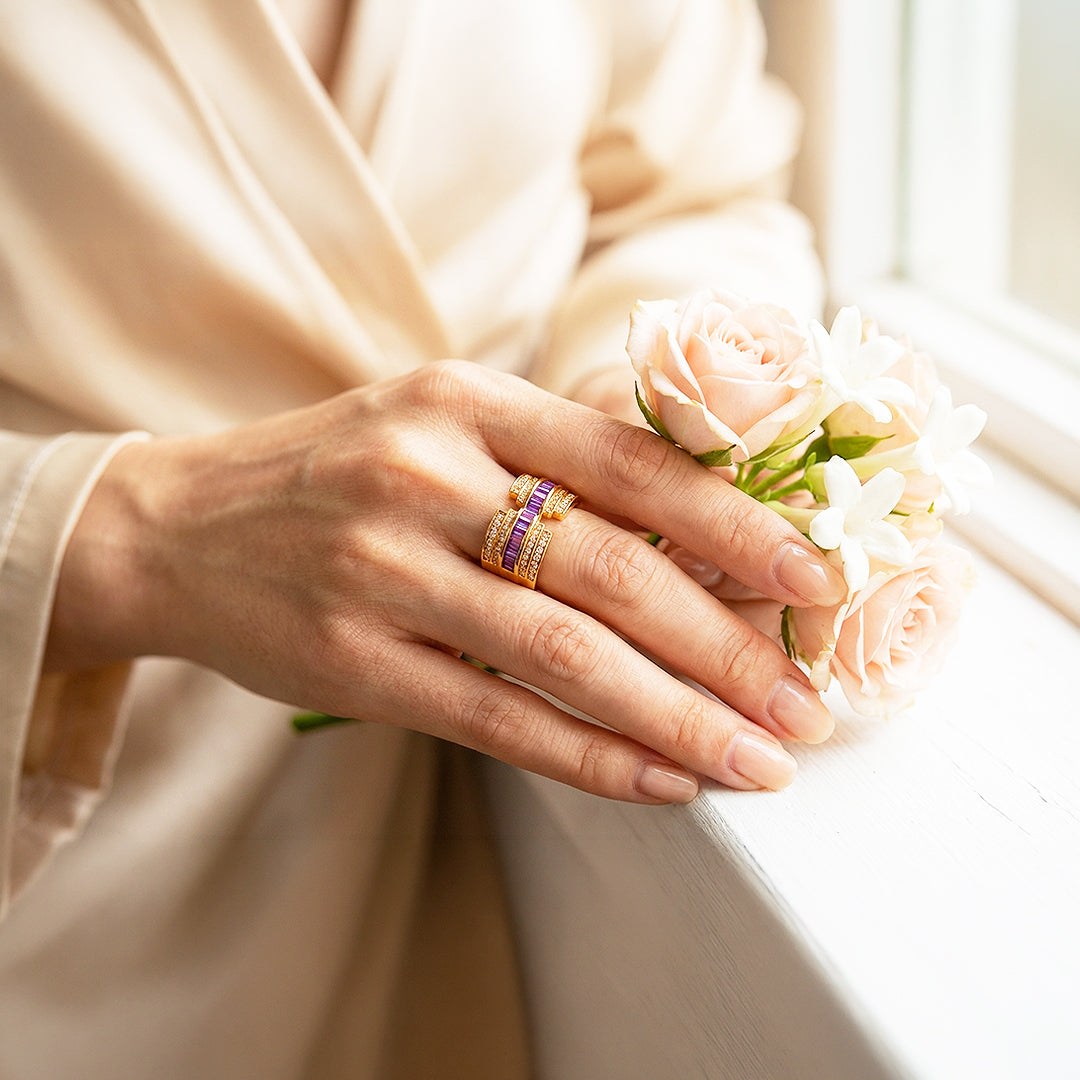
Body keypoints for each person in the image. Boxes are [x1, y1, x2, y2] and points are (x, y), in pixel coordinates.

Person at [0, 0, 843, 1076]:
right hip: (67, 906)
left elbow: (693, 193)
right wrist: (138, 533)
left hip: (444, 912)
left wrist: (627, 410)